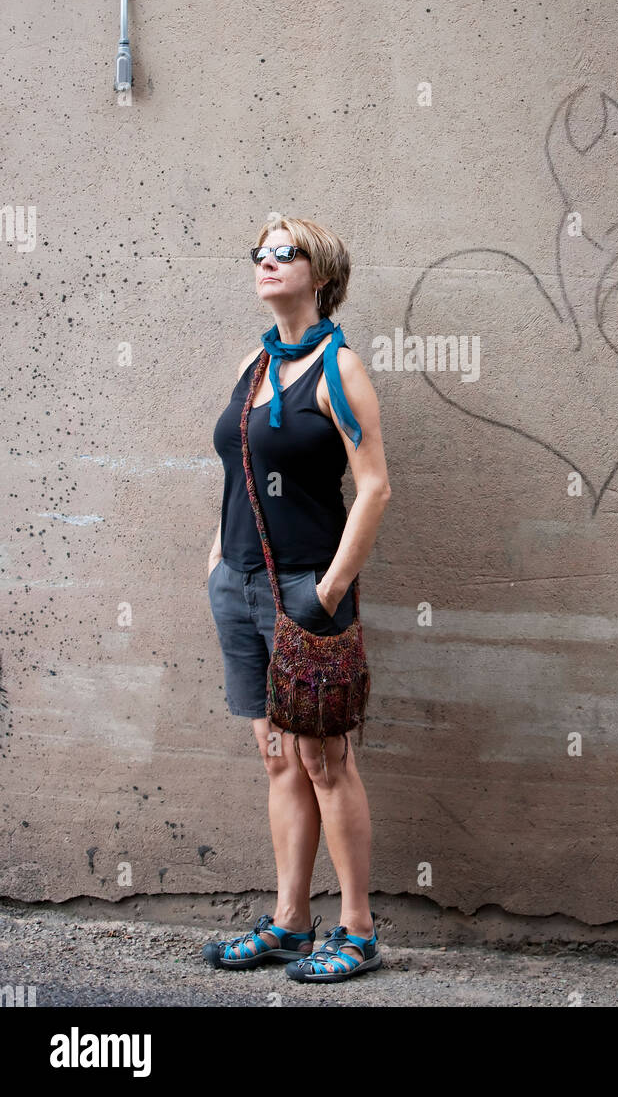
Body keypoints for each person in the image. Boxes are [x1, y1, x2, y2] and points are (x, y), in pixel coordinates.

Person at [202, 215, 391, 981]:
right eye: (261, 251)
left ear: (321, 274)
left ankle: (356, 929)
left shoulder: (337, 369)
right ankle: (289, 922)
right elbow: (233, 468)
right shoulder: (254, 363)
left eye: (287, 251)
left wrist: (329, 589)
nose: (268, 261)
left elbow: (374, 486)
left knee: (324, 759)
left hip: (304, 591)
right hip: (239, 586)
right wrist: (218, 559)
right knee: (278, 758)